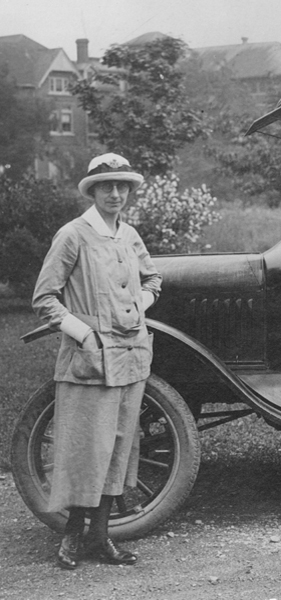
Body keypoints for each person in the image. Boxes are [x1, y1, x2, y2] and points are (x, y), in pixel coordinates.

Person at [32, 153, 162, 569]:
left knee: (120, 446)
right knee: (85, 449)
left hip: (131, 356)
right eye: (107, 186)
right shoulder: (73, 235)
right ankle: (71, 538)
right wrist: (83, 332)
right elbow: (44, 299)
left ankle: (101, 538)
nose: (116, 193)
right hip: (89, 357)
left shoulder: (129, 235)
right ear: (92, 190)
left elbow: (152, 278)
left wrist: (140, 305)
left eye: (122, 186)